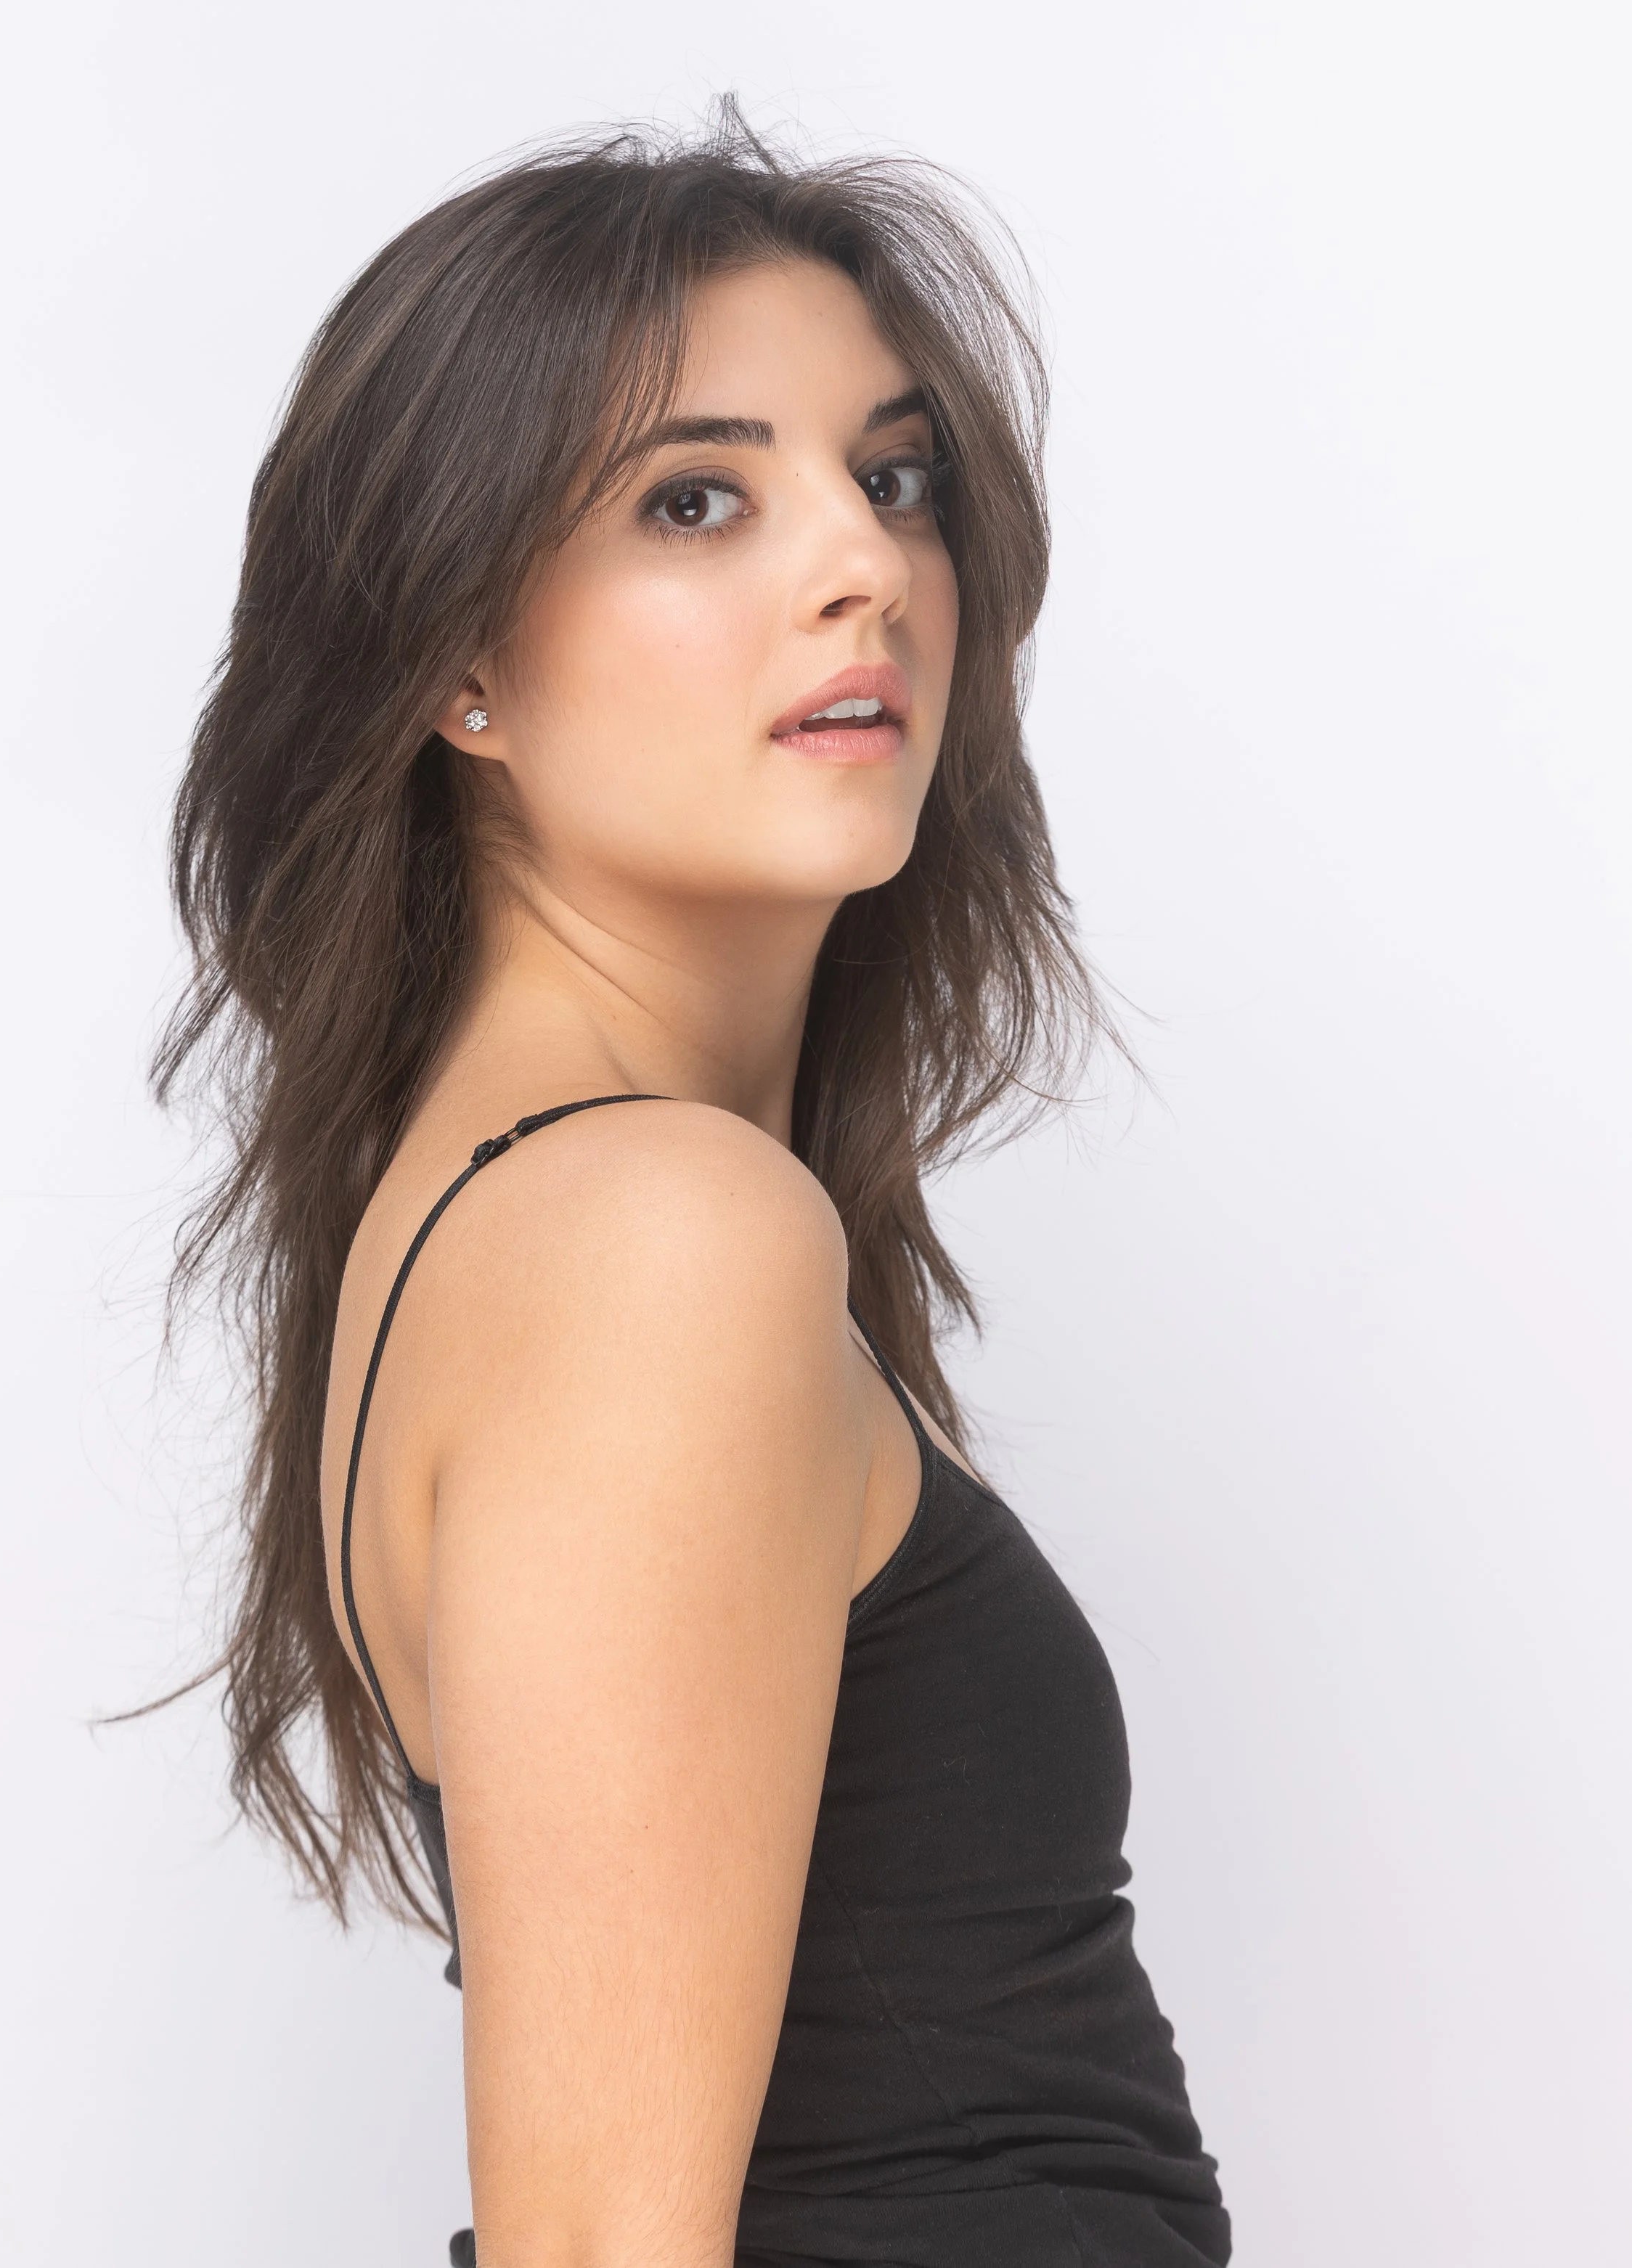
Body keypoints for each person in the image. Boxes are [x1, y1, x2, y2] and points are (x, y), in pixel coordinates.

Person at [158, 105, 1230, 2268]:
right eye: (697, 498)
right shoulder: (655, 1240)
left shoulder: (570, 1215)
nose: (862, 565)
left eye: (892, 476)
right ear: (457, 664)